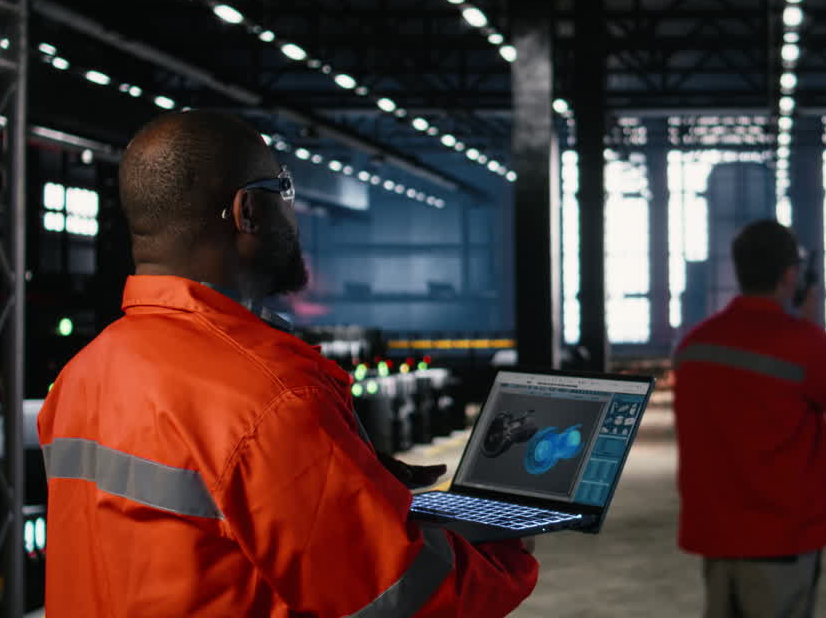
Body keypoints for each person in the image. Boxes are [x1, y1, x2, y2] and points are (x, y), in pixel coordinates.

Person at [38, 110, 538, 616]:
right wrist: (505, 544)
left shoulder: (83, 372)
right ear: (248, 211)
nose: (293, 211)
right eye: (284, 188)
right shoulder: (270, 395)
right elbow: (408, 600)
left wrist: (346, 473)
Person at [672, 220, 826, 618]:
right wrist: (814, 321)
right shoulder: (802, 343)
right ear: (790, 275)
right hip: (780, 534)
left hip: (717, 531)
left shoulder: (695, 344)